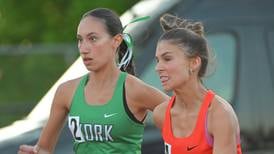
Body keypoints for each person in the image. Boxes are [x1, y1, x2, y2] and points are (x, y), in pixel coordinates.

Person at [18, 8, 169, 154]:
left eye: (93, 39)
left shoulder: (134, 89)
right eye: (80, 40)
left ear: (116, 40)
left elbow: (186, 120)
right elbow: (44, 149)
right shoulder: (66, 92)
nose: (83, 48)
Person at [153, 14, 242, 154]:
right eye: (158, 60)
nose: (158, 68)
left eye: (167, 59)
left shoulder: (219, 115)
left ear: (194, 63)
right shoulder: (161, 114)